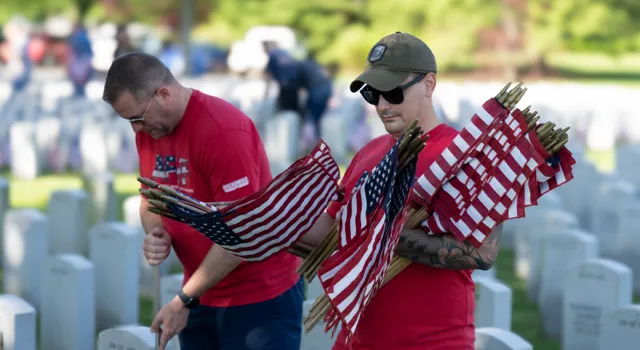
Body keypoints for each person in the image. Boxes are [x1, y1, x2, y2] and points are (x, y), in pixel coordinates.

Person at [297, 32, 503, 350]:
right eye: (372, 94)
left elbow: (482, 253)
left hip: (431, 343)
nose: (381, 105)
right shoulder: (368, 154)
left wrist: (379, 231)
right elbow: (335, 233)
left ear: (429, 84)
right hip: (354, 341)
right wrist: (275, 223)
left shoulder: (468, 157)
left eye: (393, 93)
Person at [102, 53, 304, 350]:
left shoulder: (222, 131)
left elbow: (241, 233)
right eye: (128, 121)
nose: (136, 130)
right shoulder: (152, 129)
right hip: (199, 291)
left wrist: (183, 300)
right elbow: (150, 199)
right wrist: (156, 231)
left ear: (163, 94)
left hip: (258, 296)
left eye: (137, 118)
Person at [296, 53, 333, 152]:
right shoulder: (313, 63)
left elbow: (300, 85)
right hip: (326, 88)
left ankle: (313, 145)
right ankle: (318, 144)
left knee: (312, 118)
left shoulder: (299, 66)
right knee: (318, 119)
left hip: (317, 91)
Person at [261, 41, 300, 114]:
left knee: (285, 111)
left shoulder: (272, 55)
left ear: (267, 47)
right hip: (295, 85)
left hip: (285, 86)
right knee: (293, 111)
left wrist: (266, 93)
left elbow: (269, 75)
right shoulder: (285, 53)